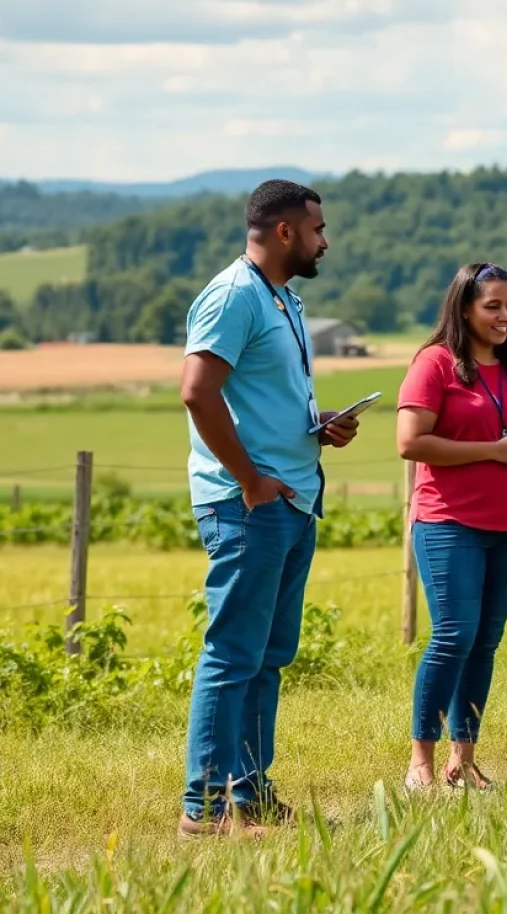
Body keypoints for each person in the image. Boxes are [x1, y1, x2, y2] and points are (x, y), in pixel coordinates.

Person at [178, 180, 361, 838]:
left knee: (267, 656)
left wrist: (321, 424)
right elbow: (198, 393)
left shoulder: (283, 298)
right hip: (248, 504)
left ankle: (248, 794)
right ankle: (205, 806)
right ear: (285, 232)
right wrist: (251, 480)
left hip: (292, 498)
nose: (325, 240)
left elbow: (263, 398)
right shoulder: (232, 296)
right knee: (233, 653)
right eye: (317, 229)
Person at [396, 262, 507, 791]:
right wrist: (496, 450)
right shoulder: (434, 363)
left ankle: (462, 760)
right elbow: (410, 442)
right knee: (453, 636)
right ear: (465, 307)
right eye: (493, 306)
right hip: (449, 522)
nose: (505, 315)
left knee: (484, 642)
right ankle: (421, 760)